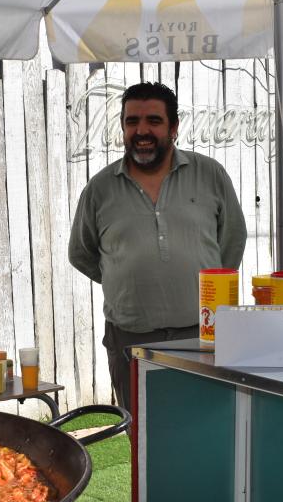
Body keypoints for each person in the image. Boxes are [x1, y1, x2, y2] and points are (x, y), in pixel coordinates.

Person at [68, 82, 247, 411]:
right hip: (131, 341)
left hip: (203, 337)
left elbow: (232, 241)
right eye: (132, 121)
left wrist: (201, 284)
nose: (142, 131)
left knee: (208, 430)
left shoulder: (209, 174)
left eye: (153, 120)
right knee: (141, 437)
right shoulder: (100, 188)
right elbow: (82, 253)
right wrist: (122, 278)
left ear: (174, 127)